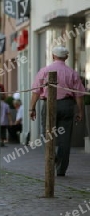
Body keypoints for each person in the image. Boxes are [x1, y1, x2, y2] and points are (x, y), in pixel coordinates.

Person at [29, 46, 85, 176]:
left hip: (49, 104)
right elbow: (79, 95)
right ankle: (61, 169)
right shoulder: (72, 72)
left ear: (53, 56)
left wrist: (31, 108)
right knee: (65, 139)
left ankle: (53, 158)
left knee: (46, 135)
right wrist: (81, 111)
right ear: (66, 57)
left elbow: (36, 92)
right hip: (67, 105)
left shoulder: (45, 71)